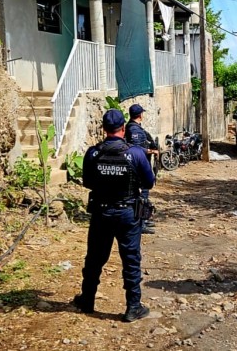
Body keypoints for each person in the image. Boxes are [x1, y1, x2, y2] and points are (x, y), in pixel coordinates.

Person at [72, 108, 155, 322]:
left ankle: (87, 299)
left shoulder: (93, 153)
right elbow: (149, 182)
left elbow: (87, 182)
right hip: (127, 213)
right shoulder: (135, 153)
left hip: (101, 212)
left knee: (94, 259)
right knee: (130, 259)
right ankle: (133, 306)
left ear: (103, 128)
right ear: (123, 128)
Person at [125, 104, 159, 234]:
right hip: (138, 167)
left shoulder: (134, 128)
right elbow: (135, 148)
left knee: (143, 194)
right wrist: (151, 151)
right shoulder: (134, 130)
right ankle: (141, 223)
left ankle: (143, 219)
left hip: (139, 165)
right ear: (140, 115)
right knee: (142, 195)